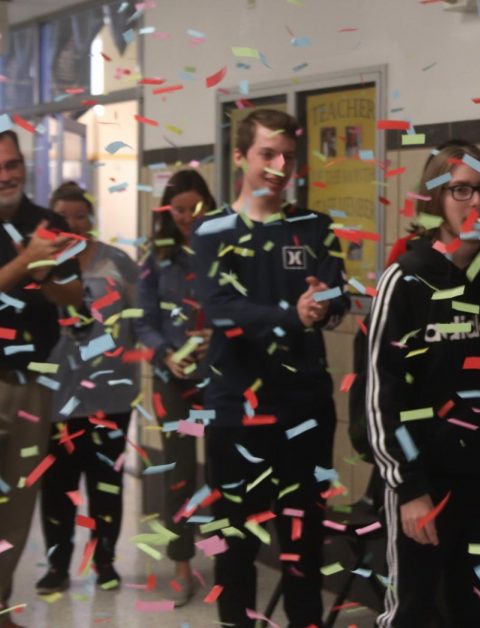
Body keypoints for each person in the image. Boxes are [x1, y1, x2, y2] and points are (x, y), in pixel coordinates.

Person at [367, 140, 480, 627]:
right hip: (425, 478)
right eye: (461, 191)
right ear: (436, 200)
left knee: (478, 611)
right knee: (413, 613)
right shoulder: (405, 279)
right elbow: (381, 394)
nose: (477, 204)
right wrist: (409, 489)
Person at [192, 109, 348, 628]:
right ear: (240, 157)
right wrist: (290, 314)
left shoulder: (314, 227)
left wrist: (324, 302)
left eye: (287, 155)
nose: (279, 166)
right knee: (235, 542)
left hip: (303, 410)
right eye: (266, 154)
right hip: (236, 411)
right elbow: (219, 308)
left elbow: (336, 293)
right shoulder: (213, 230)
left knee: (302, 546)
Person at [35, 182, 140, 594]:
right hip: (58, 398)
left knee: (105, 486)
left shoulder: (118, 262)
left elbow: (138, 321)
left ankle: (106, 561)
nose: (73, 224)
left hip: (111, 397)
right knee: (59, 488)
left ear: (91, 218)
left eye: (80, 215)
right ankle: (58, 565)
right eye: (64, 218)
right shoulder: (40, 266)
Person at [0, 130, 83, 625]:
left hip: (34, 384)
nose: (7, 175)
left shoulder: (47, 224)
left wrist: (51, 274)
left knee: (17, 504)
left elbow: (75, 297)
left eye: (12, 164)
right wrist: (26, 262)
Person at [134, 169, 216, 606]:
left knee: (225, 471)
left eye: (195, 208)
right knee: (180, 475)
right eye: (178, 210)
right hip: (173, 381)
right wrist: (167, 353)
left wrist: (215, 342)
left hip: (222, 378)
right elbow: (143, 322)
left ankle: (224, 559)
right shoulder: (158, 257)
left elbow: (240, 308)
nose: (187, 217)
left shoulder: (226, 248)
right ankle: (182, 565)